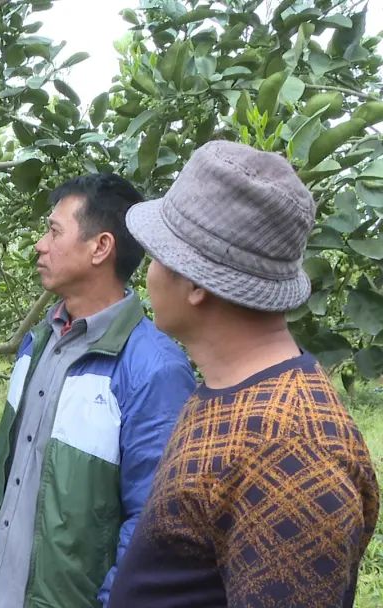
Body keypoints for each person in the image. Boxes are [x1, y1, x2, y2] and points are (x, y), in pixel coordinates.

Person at [107, 140, 379, 607]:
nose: (147, 273)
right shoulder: (224, 391)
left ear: (194, 285)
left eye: (156, 255)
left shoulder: (290, 455)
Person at [0, 173, 196, 607]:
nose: (40, 246)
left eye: (53, 231)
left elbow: (153, 524)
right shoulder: (39, 342)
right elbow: (13, 463)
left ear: (100, 247)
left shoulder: (153, 368)